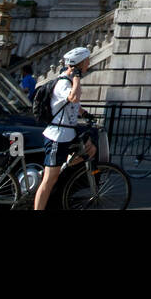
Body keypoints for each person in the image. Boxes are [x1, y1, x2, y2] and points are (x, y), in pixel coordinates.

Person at [34, 47, 96, 211]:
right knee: (49, 181)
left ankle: (60, 165)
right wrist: (76, 78)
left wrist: (85, 113)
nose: (88, 63)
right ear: (80, 63)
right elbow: (73, 97)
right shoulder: (63, 82)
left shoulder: (69, 81)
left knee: (90, 150)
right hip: (58, 135)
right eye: (87, 61)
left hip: (68, 133)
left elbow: (73, 104)